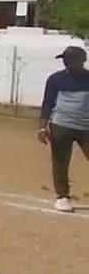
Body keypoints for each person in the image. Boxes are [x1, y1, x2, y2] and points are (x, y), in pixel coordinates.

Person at [37, 45, 89, 213]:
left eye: (70, 60)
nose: (66, 63)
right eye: (64, 60)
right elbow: (48, 103)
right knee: (60, 162)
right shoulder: (55, 79)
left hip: (86, 126)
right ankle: (63, 197)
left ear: (82, 61)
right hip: (61, 125)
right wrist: (42, 127)